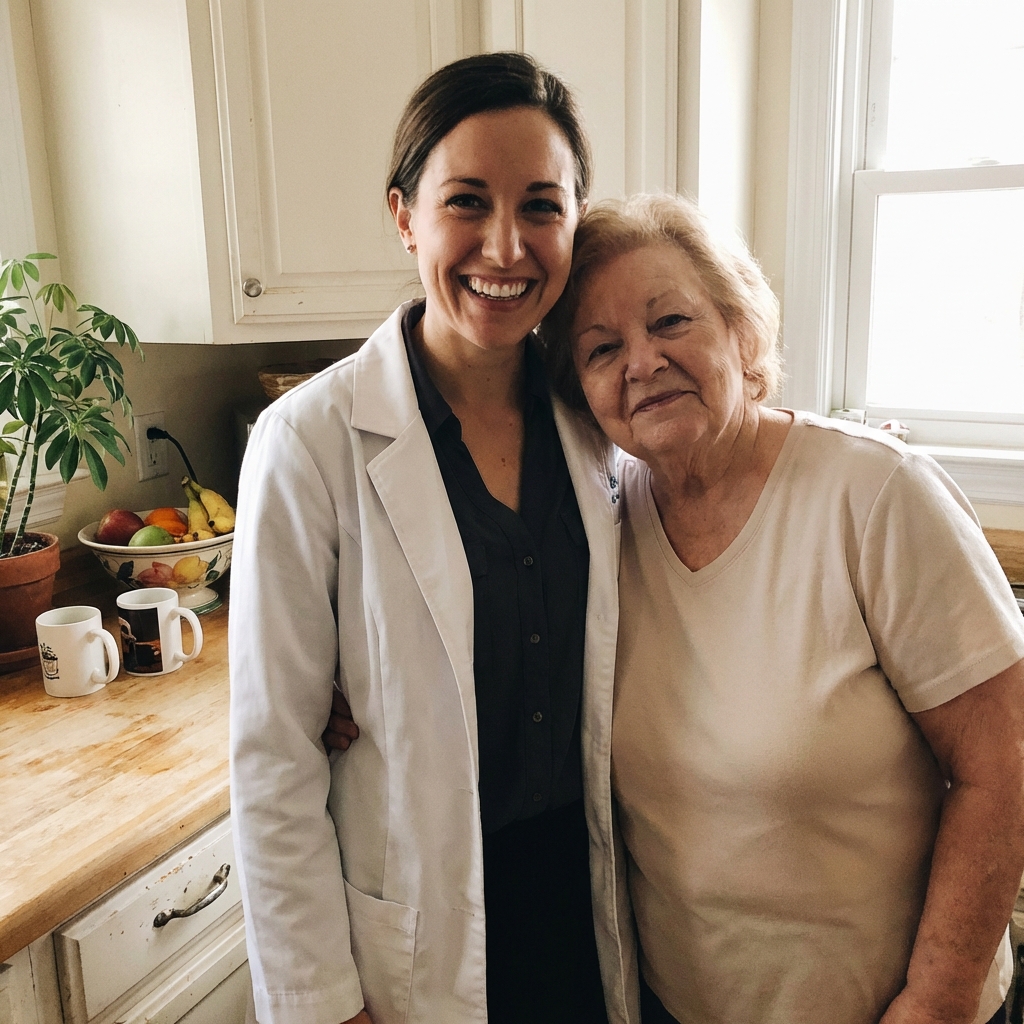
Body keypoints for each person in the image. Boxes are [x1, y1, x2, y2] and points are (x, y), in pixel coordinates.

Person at [537, 191, 1024, 1024]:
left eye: (671, 322)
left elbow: (1005, 762)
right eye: (601, 348)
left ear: (741, 330)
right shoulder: (600, 525)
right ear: (583, 395)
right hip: (675, 1005)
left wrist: (935, 1000)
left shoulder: (874, 495)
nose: (642, 362)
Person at [229, 53, 637, 1024]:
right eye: (467, 201)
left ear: (576, 222)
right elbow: (274, 755)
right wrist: (325, 1005)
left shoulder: (603, 418)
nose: (506, 245)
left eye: (542, 205)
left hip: (593, 909)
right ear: (405, 215)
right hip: (419, 936)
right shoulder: (310, 440)